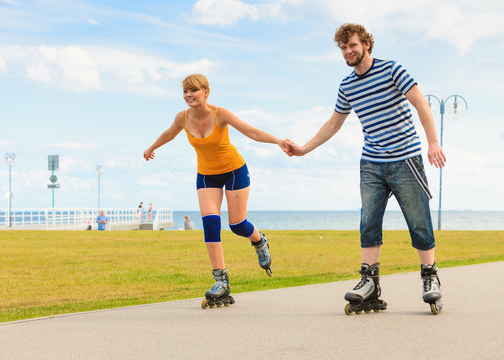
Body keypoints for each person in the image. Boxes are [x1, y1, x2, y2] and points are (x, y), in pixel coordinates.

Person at [285, 23, 446, 315]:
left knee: (418, 220)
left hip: (405, 158)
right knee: (368, 222)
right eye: (344, 48)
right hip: (371, 162)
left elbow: (421, 104)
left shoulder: (393, 70)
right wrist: (304, 149)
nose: (348, 51)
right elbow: (334, 123)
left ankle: (429, 277)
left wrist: (433, 142)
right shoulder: (347, 85)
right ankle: (369, 282)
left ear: (367, 45)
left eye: (353, 45)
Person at [143, 74, 287, 307]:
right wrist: (151, 147)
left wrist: (278, 141)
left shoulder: (221, 114)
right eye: (185, 92)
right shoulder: (182, 117)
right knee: (210, 223)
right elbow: (169, 133)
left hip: (233, 171)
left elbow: (251, 132)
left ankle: (259, 241)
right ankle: (221, 281)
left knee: (237, 224)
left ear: (206, 92)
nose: (189, 95)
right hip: (206, 175)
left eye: (194, 91)